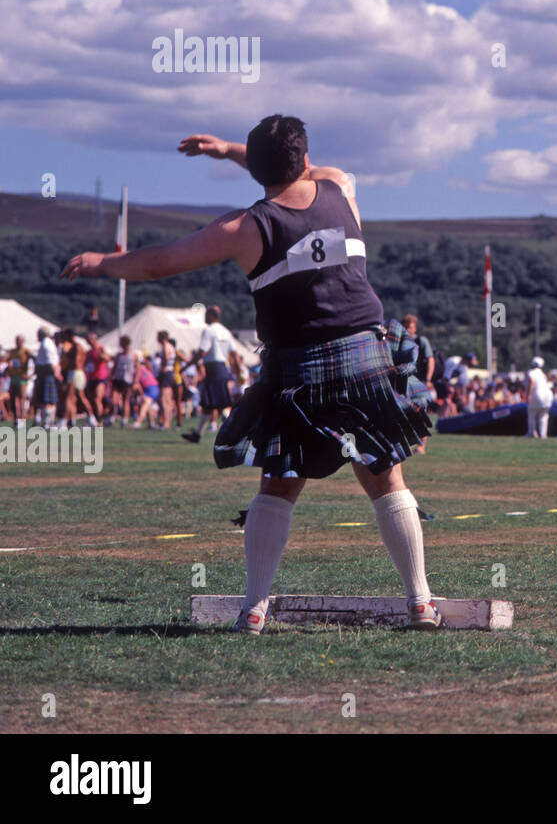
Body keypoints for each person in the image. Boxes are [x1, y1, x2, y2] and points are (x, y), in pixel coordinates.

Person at [61, 116, 440, 634]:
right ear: (305, 160)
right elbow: (287, 167)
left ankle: (255, 608)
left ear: (256, 170)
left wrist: (104, 261)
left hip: (299, 367)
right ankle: (419, 601)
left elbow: (159, 264)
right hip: (364, 355)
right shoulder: (342, 187)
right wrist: (231, 150)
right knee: (384, 476)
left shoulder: (245, 228)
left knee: (279, 483)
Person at [182, 307, 235, 443]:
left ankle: (233, 432)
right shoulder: (225, 331)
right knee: (211, 404)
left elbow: (202, 352)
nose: (204, 318)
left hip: (212, 368)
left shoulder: (209, 330)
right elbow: (233, 354)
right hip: (223, 367)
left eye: (206, 315)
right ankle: (198, 435)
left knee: (216, 403)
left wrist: (188, 365)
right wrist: (238, 370)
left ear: (211, 316)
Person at [32, 327, 61, 426]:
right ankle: (48, 422)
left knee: (48, 400)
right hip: (46, 374)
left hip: (47, 375)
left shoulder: (46, 344)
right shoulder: (46, 343)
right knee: (45, 400)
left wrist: (56, 375)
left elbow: (51, 362)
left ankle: (47, 423)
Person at [526, 356, 552, 439]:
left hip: (538, 395)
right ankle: (543, 435)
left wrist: (528, 395)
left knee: (532, 414)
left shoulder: (531, 372)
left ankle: (532, 433)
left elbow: (531, 382)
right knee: (543, 416)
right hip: (548, 396)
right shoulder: (543, 374)